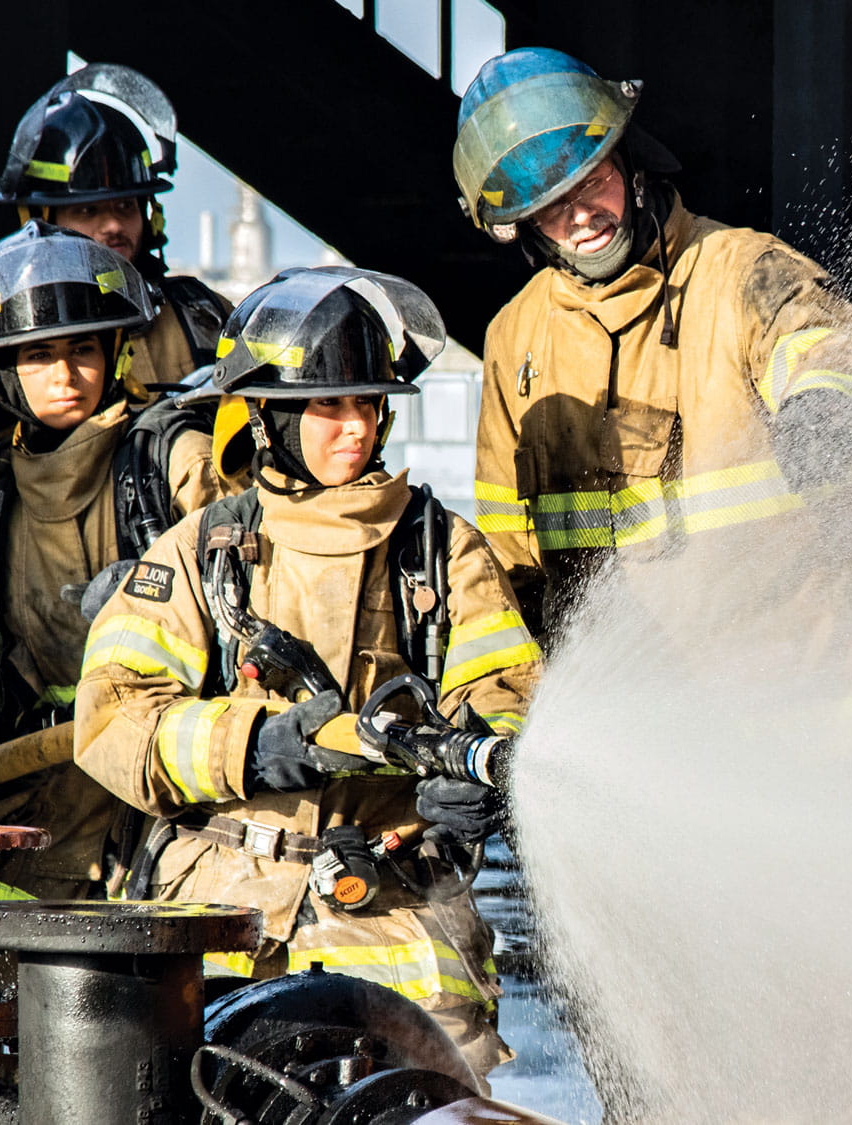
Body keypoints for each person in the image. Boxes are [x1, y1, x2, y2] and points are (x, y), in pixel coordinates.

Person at [75, 266, 539, 1080]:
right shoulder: (202, 552)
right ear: (270, 416)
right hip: (220, 909)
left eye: (367, 402)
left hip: (400, 904)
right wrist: (253, 747)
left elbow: (504, 691)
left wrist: (477, 780)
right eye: (328, 405)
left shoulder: (441, 548)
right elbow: (114, 721)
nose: (354, 427)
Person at [455, 48, 852, 646]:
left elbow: (820, 342)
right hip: (622, 708)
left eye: (593, 181)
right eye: (551, 208)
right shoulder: (515, 335)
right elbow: (507, 550)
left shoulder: (741, 269)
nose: (581, 217)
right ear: (526, 226)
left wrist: (825, 405)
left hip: (792, 686)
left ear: (632, 165)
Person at [0, 222, 227, 899]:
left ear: (117, 352)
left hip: (176, 810)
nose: (67, 376)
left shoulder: (173, 464)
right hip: (47, 818)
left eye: (84, 350)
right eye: (39, 356)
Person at [0, 64, 232, 579]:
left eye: (125, 206)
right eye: (88, 212)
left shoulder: (203, 324)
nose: (113, 225)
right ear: (38, 223)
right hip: (41, 605)